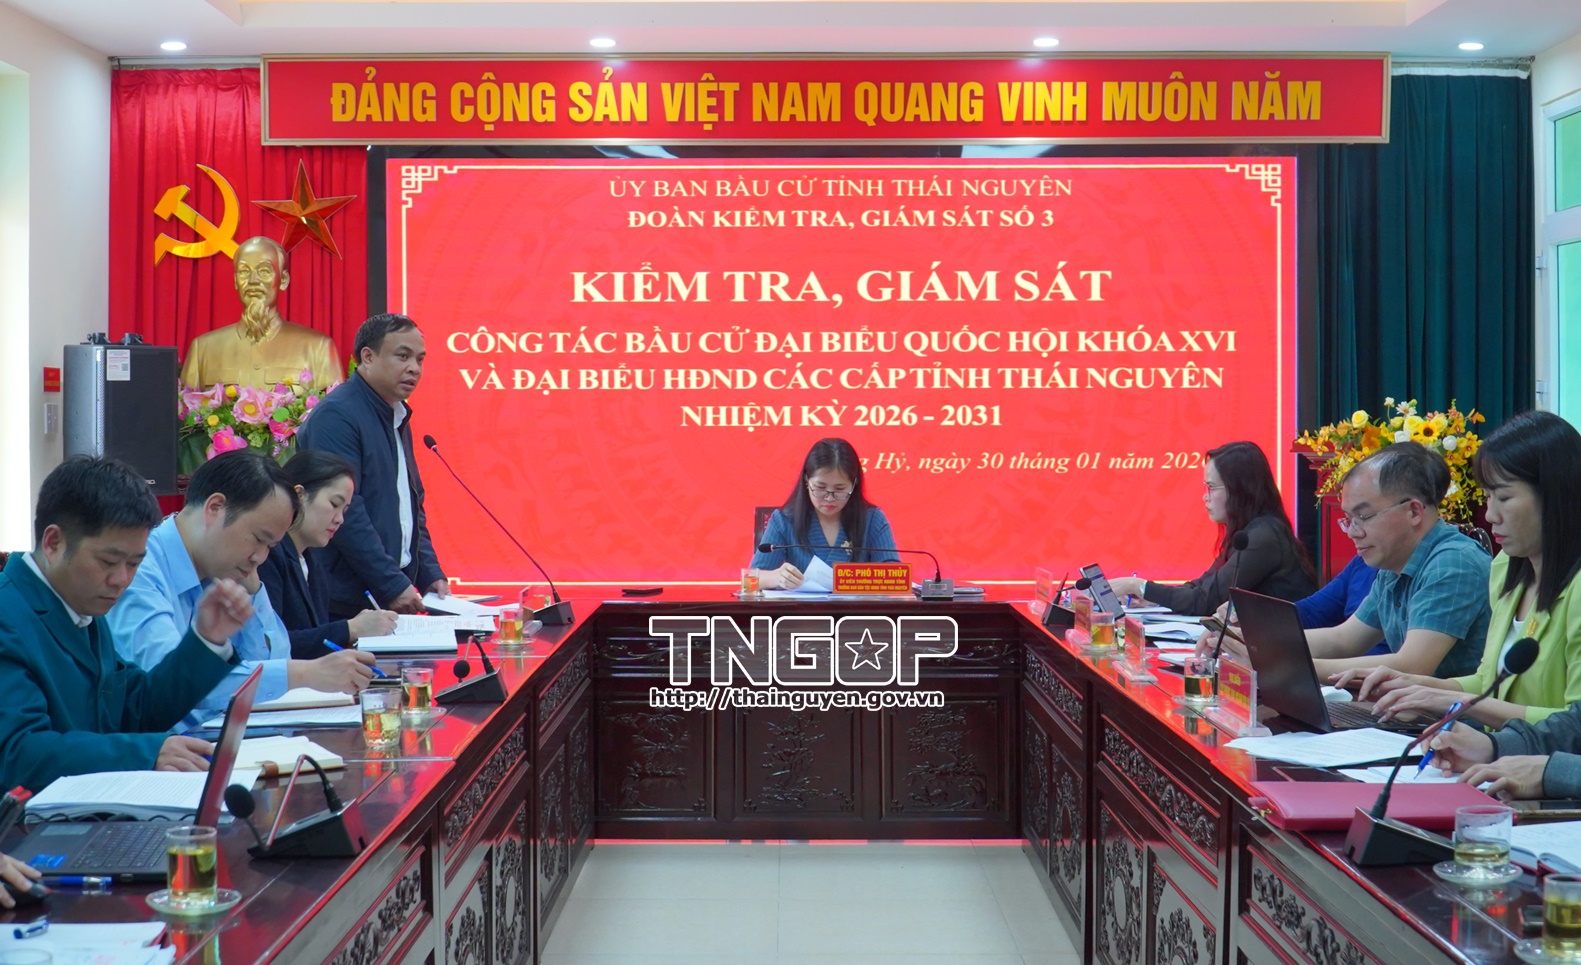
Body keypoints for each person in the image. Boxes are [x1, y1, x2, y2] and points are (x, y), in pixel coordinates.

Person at [0, 457, 256, 792]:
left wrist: (207, 640)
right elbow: (18, 753)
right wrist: (146, 752)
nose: (121, 579)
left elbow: (135, 708)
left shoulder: (80, 605)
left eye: (134, 564)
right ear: (53, 543)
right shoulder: (9, 616)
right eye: (108, 561)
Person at [1336, 411, 1581, 727]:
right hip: (1493, 751)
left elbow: (1574, 725)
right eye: (1488, 497)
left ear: (1556, 495)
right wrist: (1417, 687)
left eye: (1504, 497)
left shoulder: (1458, 561)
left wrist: (1454, 702)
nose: (1490, 515)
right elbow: (1487, 681)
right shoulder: (1506, 568)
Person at [108, 449, 377, 733]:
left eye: (270, 547)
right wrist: (305, 673)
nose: (260, 557)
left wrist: (255, 592)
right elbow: (171, 682)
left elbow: (273, 660)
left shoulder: (218, 569)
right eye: (259, 539)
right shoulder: (139, 570)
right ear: (215, 508)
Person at [1215, 442, 1492, 681]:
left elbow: (1412, 665)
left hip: (1458, 722)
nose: (1352, 532)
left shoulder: (1453, 562)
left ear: (1414, 512)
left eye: (1364, 517)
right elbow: (1343, 639)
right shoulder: (1395, 564)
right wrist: (1253, 640)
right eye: (1349, 519)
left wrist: (1276, 662)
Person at [297, 313, 448, 616]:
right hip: (345, 600)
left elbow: (410, 507)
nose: (414, 368)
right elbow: (347, 512)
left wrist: (430, 574)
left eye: (419, 359)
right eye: (402, 356)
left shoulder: (395, 413)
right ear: (367, 357)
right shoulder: (338, 416)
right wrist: (391, 585)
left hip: (384, 593)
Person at [1108, 441, 1315, 616]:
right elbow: (1201, 586)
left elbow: (1205, 601)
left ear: (1240, 490)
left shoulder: (1263, 537)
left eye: (1211, 487)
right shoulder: (1249, 531)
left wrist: (1135, 586)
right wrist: (1153, 598)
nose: (1205, 496)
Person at [259, 450, 398, 658]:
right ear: (299, 495)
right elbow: (271, 645)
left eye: (345, 510)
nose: (340, 519)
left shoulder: (313, 563)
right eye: (334, 504)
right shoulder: (266, 555)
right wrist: (350, 628)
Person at [179, 236, 342, 390]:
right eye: (244, 271)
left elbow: (335, 408)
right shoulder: (203, 349)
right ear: (235, 281)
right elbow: (183, 406)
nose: (253, 280)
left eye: (264, 271)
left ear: (283, 280)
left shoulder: (318, 348)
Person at [747, 438, 900, 589]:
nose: (829, 498)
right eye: (820, 488)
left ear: (854, 485)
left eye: (839, 489)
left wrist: (852, 579)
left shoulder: (872, 519)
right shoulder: (784, 520)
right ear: (807, 481)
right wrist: (776, 577)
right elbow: (749, 580)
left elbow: (895, 577)